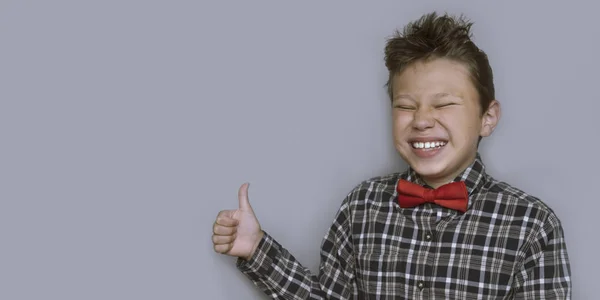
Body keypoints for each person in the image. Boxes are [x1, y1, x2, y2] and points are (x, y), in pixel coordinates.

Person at [211, 11, 572, 299]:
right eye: (405, 106)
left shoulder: (532, 225)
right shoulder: (361, 206)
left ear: (487, 118)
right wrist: (256, 248)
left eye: (444, 104)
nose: (422, 121)